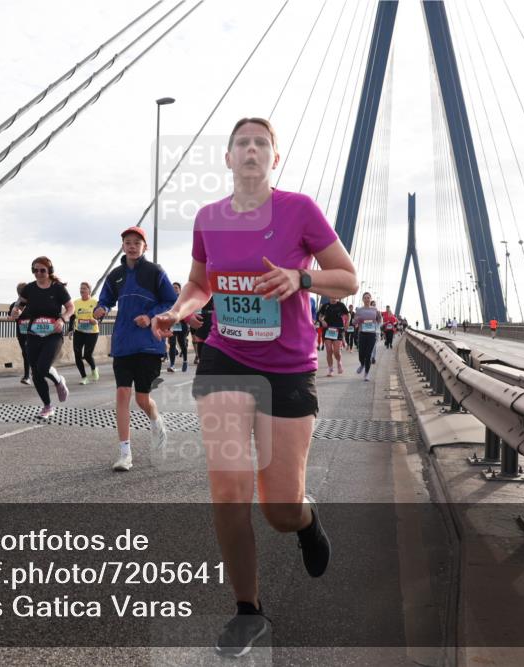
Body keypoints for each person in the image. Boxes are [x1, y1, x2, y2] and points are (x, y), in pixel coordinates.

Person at [150, 117, 358, 658]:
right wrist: (178, 310)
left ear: (274, 158)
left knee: (278, 508)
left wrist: (301, 278)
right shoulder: (209, 218)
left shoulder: (300, 210)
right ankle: (248, 610)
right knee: (228, 489)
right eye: (241, 142)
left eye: (261, 143)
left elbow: (348, 277)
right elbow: (200, 283)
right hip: (225, 359)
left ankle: (306, 521)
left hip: (288, 368)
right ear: (227, 158)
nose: (250, 150)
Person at [94, 226, 176, 472]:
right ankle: (124, 453)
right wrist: (101, 309)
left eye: (136, 243)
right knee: (122, 394)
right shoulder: (115, 275)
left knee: (142, 398)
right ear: (122, 246)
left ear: (144, 247)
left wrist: (150, 316)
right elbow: (106, 299)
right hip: (122, 343)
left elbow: (171, 300)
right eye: (127, 242)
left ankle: (157, 422)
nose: (131, 246)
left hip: (149, 344)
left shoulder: (154, 272)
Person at [9, 257, 73, 419]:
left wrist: (63, 318)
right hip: (33, 334)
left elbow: (71, 307)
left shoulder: (57, 288)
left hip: (53, 334)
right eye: (35, 270)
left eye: (42, 270)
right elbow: (20, 305)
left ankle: (58, 381)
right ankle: (47, 406)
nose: (38, 273)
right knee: (36, 373)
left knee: (43, 367)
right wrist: (16, 311)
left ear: (49, 271)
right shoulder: (29, 289)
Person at [71, 282, 100, 385]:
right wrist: (70, 329)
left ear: (89, 290)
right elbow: (72, 317)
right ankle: (84, 377)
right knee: (77, 354)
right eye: (81, 288)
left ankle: (94, 368)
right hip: (79, 331)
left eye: (84, 288)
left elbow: (101, 314)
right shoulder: (76, 302)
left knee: (87, 355)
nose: (82, 290)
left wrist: (97, 321)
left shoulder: (95, 302)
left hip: (92, 332)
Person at [352, 292, 382, 381]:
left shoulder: (375, 310)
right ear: (363, 299)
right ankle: (362, 364)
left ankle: (366, 374)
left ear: (370, 299)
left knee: (368, 354)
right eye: (365, 298)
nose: (367, 299)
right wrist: (357, 319)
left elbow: (379, 321)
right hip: (362, 333)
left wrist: (379, 316)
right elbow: (354, 322)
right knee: (361, 353)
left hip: (372, 334)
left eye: (368, 297)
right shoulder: (359, 310)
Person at [317, 296, 347, 375]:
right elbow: (320, 316)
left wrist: (347, 323)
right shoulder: (325, 306)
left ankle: (339, 361)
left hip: (338, 329)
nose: (333, 298)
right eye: (331, 296)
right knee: (329, 351)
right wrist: (322, 321)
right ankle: (330, 369)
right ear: (329, 297)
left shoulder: (341, 305)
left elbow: (348, 315)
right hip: (327, 330)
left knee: (336, 351)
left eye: (335, 296)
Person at [10, 282, 31, 385]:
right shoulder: (15, 305)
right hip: (21, 334)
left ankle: (28, 375)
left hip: (33, 334)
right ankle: (27, 376)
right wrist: (13, 315)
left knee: (29, 353)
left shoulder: (33, 305)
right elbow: (11, 316)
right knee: (25, 353)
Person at [167, 281, 190, 372]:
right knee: (172, 343)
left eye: (176, 288)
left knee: (182, 343)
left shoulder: (183, 299)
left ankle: (185, 361)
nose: (174, 289)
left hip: (182, 323)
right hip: (172, 324)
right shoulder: (168, 299)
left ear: (180, 290)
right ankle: (172, 365)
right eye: (172, 288)